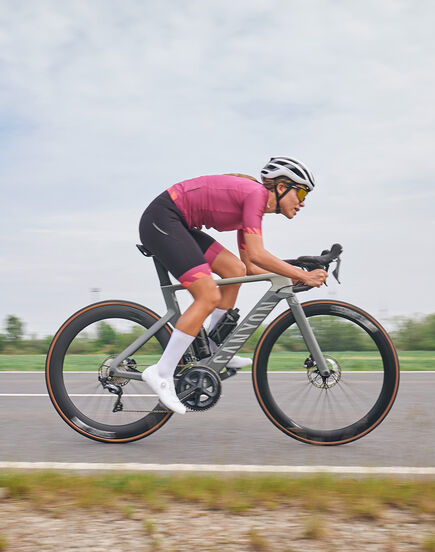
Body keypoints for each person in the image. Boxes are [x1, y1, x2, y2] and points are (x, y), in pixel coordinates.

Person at [137, 156, 329, 414]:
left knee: (233, 270)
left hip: (177, 223)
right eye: (302, 192)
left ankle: (214, 350)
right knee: (207, 295)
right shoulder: (256, 196)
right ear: (282, 187)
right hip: (162, 219)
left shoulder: (253, 206)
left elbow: (250, 265)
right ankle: (161, 372)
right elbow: (260, 255)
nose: (303, 201)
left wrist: (293, 274)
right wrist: (302, 275)